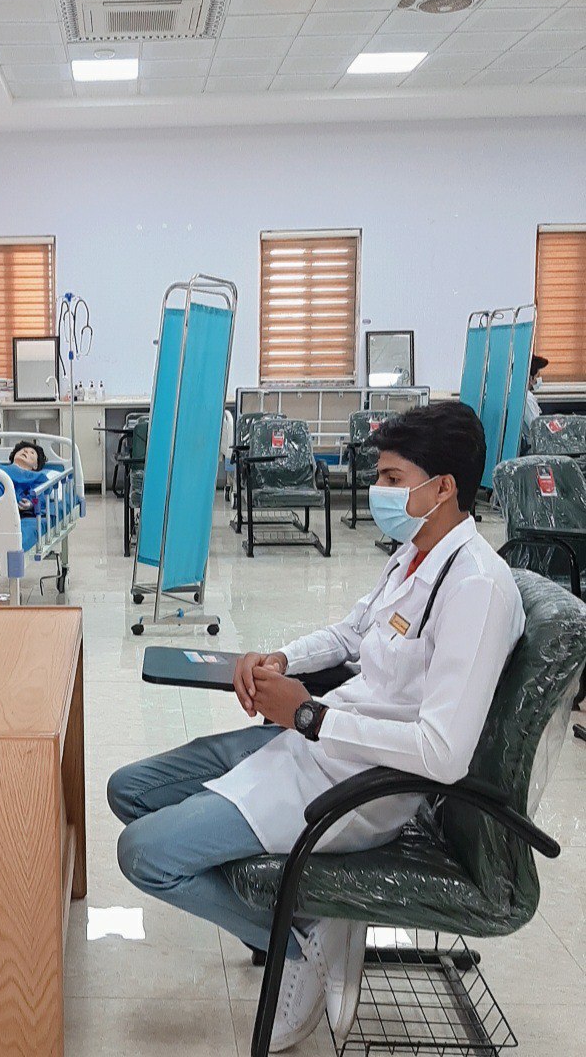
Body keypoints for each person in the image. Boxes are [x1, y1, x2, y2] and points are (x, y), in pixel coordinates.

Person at [107, 402, 524, 1052]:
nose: (377, 490)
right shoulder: (415, 555)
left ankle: (297, 944)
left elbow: (442, 754)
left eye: (391, 478)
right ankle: (302, 909)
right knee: (131, 790)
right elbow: (352, 632)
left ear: (443, 487)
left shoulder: (477, 589)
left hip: (365, 784)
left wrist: (307, 714)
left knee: (144, 853)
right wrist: (279, 660)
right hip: (319, 740)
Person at [523, 354, 548, 429]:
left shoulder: (524, 395)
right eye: (538, 376)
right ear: (531, 378)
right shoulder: (527, 398)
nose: (540, 379)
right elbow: (536, 428)